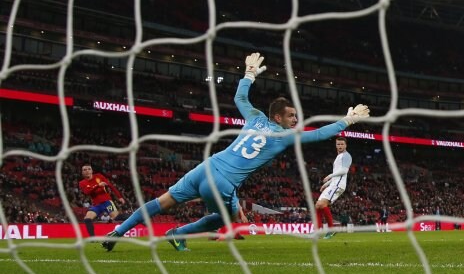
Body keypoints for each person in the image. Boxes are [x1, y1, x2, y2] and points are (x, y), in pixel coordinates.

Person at [101, 52, 370, 251]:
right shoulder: (285, 135)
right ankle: (178, 233)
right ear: (277, 118)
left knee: (162, 202)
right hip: (223, 182)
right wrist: (348, 121)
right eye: (291, 116)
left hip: (205, 167)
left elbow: (240, 98)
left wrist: (249, 74)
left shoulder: (254, 117)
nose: (295, 121)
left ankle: (118, 231)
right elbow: (320, 134)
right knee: (225, 218)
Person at [315, 136, 351, 239]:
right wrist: (327, 184)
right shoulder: (338, 157)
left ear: (345, 145)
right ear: (336, 145)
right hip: (334, 184)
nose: (340, 146)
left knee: (322, 204)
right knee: (318, 205)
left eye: (342, 144)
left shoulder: (346, 156)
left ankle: (331, 230)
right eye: (338, 144)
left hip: (338, 185)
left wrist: (330, 176)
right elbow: (338, 174)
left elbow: (344, 171)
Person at [79, 164, 125, 237]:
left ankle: (136, 218)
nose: (87, 171)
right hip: (96, 205)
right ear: (82, 172)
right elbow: (87, 192)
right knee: (87, 219)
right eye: (84, 170)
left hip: (106, 202)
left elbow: (110, 185)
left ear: (92, 171)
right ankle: (93, 238)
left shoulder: (99, 176)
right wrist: (98, 186)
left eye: (89, 169)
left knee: (116, 217)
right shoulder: (82, 183)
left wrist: (119, 197)